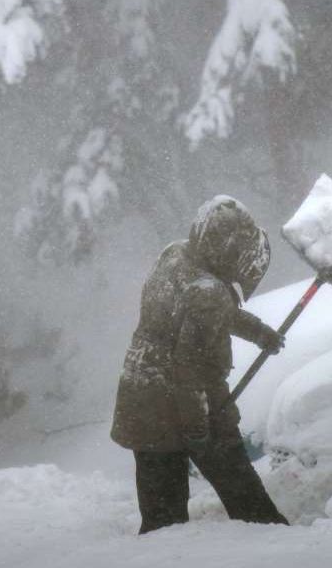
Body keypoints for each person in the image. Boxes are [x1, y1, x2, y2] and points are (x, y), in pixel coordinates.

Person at [110, 195, 290, 534]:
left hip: (141, 397)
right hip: (186, 404)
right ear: (227, 250)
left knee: (161, 513)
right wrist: (198, 431)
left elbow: (199, 311)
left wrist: (258, 332)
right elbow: (189, 371)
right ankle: (277, 541)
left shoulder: (175, 254)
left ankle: (162, 551)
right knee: (242, 492)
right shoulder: (208, 293)